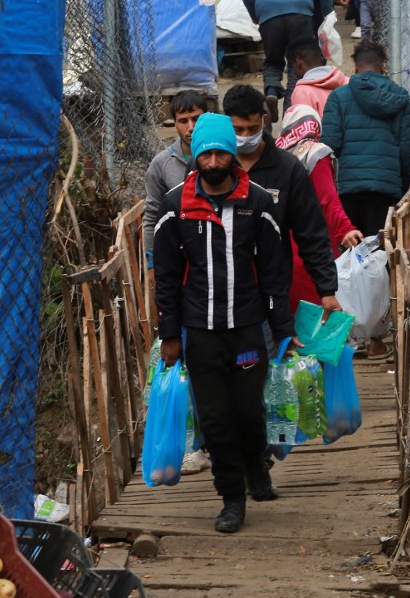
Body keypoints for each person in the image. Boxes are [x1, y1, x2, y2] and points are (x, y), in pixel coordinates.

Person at [153, 113, 296, 534]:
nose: (213, 162)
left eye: (220, 154)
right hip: (200, 332)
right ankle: (232, 498)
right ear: (195, 156)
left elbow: (274, 273)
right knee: (215, 419)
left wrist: (283, 329)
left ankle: (257, 467)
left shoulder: (258, 203)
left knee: (249, 411)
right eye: (206, 154)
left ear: (232, 155)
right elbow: (166, 277)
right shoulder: (175, 206)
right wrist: (169, 334)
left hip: (247, 328)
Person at [321, 41, 410, 358]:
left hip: (347, 189)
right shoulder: (399, 98)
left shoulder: (339, 97)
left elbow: (330, 144)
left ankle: (347, 336)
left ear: (355, 65)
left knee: (348, 262)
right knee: (379, 263)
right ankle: (377, 340)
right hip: (384, 189)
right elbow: (407, 149)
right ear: (383, 66)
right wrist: (398, 185)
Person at [222, 84, 341, 319]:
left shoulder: (287, 169)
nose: (245, 136)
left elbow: (311, 232)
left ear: (264, 120)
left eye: (252, 129)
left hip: (272, 288)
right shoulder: (214, 167)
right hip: (220, 289)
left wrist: (326, 289)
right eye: (238, 130)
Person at [274, 104, 363, 311]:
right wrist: (345, 229)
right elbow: (328, 198)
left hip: (279, 249)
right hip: (311, 247)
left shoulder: (276, 156)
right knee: (315, 315)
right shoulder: (316, 153)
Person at [142, 90, 206, 286]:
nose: (191, 127)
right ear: (174, 123)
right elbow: (151, 216)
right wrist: (151, 263)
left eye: (196, 119)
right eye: (183, 121)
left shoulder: (224, 157)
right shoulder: (162, 164)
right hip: (178, 258)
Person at [288, 39, 348, 117]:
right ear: (322, 59)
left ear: (298, 63)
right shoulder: (348, 81)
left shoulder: (302, 92)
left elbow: (304, 122)